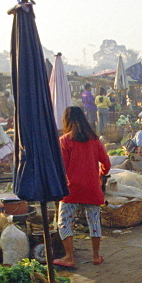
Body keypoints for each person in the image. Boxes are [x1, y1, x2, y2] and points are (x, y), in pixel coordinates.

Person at [54, 106, 110, 268]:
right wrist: (100, 175)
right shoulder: (95, 140)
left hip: (72, 189)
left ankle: (69, 257)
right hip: (92, 188)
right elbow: (106, 163)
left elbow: (61, 168)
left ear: (66, 120)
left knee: (64, 222)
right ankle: (96, 256)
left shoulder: (64, 141)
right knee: (94, 222)